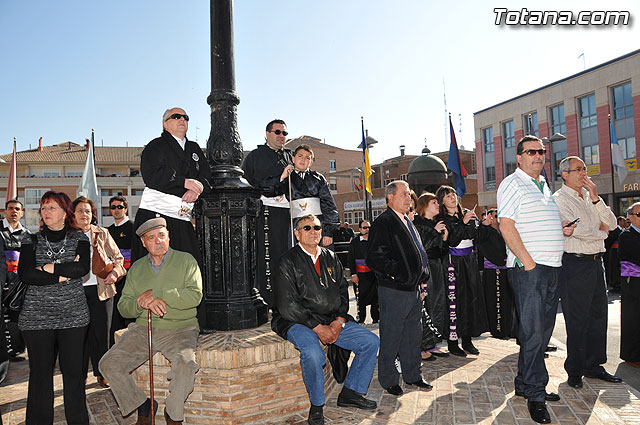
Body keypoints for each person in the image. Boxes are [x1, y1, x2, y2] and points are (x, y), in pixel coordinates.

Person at [271, 214, 379, 425]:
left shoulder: (330, 256)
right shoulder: (287, 261)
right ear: (297, 233)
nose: (313, 232)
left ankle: (351, 393)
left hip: (331, 319)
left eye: (317, 228)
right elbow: (288, 305)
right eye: (307, 228)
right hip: (297, 321)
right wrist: (317, 327)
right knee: (312, 354)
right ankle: (317, 405)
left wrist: (338, 320)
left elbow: (342, 291)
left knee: (370, 342)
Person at [497, 136, 575, 424]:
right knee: (533, 334)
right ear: (519, 157)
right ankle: (536, 393)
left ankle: (524, 383)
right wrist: (528, 263)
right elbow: (506, 225)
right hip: (531, 270)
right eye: (531, 152)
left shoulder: (544, 186)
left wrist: (560, 229)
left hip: (553, 267)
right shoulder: (512, 183)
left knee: (541, 333)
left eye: (542, 151)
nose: (539, 156)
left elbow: (535, 221)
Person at [99, 218, 202, 425]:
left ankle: (173, 414)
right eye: (151, 238)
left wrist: (157, 294)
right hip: (143, 330)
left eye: (162, 235)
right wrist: (141, 302)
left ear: (169, 236)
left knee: (186, 365)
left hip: (180, 329)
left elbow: (195, 296)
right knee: (108, 364)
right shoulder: (136, 268)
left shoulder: (186, 261)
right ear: (144, 243)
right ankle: (144, 405)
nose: (158, 241)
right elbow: (123, 306)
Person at [132, 107, 211, 329]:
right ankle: (147, 318)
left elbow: (206, 175)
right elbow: (152, 174)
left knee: (190, 265)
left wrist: (198, 188)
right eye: (176, 117)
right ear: (165, 123)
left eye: (186, 117)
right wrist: (184, 182)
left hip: (182, 217)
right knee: (153, 265)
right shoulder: (155, 146)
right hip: (155, 215)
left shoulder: (194, 148)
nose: (182, 120)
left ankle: (196, 320)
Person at [18, 191, 91, 425]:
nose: (46, 212)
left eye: (52, 207)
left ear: (65, 212)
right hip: (36, 317)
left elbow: (81, 270)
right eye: (43, 207)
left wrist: (46, 268)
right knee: (40, 376)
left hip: (73, 316)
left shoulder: (80, 239)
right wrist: (61, 274)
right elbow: (26, 274)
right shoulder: (30, 240)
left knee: (73, 374)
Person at [554, 156, 621, 388]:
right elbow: (577, 230)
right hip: (575, 264)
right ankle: (574, 369)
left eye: (585, 169)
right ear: (565, 174)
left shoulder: (590, 197)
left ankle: (594, 365)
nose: (584, 173)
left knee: (598, 316)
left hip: (596, 263)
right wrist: (601, 233)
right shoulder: (559, 199)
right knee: (577, 319)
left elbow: (612, 224)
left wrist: (595, 198)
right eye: (578, 169)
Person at [366, 180, 432, 396]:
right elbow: (375, 258)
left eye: (410, 195)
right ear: (390, 197)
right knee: (392, 335)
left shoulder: (407, 221)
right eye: (404, 194)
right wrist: (400, 275)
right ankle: (388, 379)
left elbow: (419, 253)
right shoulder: (384, 222)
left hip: (413, 290)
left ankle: (413, 375)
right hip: (394, 290)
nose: (409, 199)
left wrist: (422, 277)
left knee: (413, 335)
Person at [72, 196, 126, 388]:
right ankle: (79, 376)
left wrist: (114, 274)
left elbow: (119, 259)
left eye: (87, 211)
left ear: (92, 214)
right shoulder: (67, 235)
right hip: (75, 293)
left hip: (102, 292)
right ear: (73, 214)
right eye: (80, 211)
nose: (84, 214)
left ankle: (102, 373)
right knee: (78, 337)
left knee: (102, 336)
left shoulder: (102, 233)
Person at [242, 119, 293, 307]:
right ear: (267, 134)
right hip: (266, 213)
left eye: (284, 133)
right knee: (268, 258)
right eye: (277, 132)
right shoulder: (255, 156)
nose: (281, 136)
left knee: (289, 255)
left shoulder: (291, 156)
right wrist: (279, 179)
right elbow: (249, 186)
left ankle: (289, 300)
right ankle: (269, 302)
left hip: (289, 213)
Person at [435, 185, 488, 356]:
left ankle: (467, 339)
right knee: (455, 301)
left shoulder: (465, 213)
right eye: (448, 195)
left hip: (469, 261)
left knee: (471, 298)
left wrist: (483, 226)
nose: (452, 197)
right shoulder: (442, 219)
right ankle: (452, 341)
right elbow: (451, 240)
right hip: (453, 262)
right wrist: (464, 222)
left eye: (454, 194)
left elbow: (476, 237)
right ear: (442, 201)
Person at [277, 144, 340, 247]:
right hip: (296, 227)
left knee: (322, 260)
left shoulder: (319, 178)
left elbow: (329, 205)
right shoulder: (287, 178)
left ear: (311, 162)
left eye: (307, 158)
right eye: (300, 156)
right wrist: (282, 178)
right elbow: (271, 191)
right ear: (293, 159)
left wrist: (328, 232)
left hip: (318, 225)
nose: (303, 160)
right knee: (297, 260)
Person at [413, 192, 449, 359]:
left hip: (437, 266)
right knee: (428, 305)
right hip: (426, 269)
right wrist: (435, 232)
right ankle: (422, 345)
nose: (438, 205)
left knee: (438, 303)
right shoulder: (418, 224)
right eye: (434, 202)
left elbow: (440, 250)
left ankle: (433, 342)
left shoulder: (435, 224)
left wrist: (444, 238)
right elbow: (423, 247)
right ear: (425, 205)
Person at [477, 209, 517, 339]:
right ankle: (499, 330)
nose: (498, 219)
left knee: (507, 302)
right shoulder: (486, 232)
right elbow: (481, 241)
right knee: (497, 302)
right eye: (495, 216)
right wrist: (484, 225)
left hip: (505, 271)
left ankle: (508, 329)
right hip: (494, 272)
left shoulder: (503, 231)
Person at [1, 199, 30, 362]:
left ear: (22, 213)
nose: (14, 211)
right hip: (2, 278)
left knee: (16, 317)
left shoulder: (26, 234)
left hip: (18, 283)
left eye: (17, 209)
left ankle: (16, 350)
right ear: (5, 211)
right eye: (10, 208)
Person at [107, 195, 135, 346]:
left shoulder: (133, 227)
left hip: (129, 276)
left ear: (125, 209)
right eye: (113, 207)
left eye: (120, 207)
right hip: (112, 277)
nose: (116, 210)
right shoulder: (108, 231)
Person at [619, 202, 640, 367]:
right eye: (639, 215)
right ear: (630, 217)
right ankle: (631, 355)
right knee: (632, 318)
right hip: (632, 282)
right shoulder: (626, 235)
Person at [347, 220, 379, 323]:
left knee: (375, 297)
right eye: (365, 228)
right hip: (361, 275)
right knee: (361, 298)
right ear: (360, 229)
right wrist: (353, 274)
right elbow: (350, 259)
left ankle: (376, 318)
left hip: (373, 274)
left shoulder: (374, 241)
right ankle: (361, 319)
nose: (367, 230)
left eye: (369, 227)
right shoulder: (355, 242)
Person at [605, 216, 628, 292]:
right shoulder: (615, 230)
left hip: (621, 252)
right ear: (619, 221)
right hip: (614, 251)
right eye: (623, 220)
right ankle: (615, 284)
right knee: (614, 268)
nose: (625, 222)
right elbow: (609, 241)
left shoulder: (624, 230)